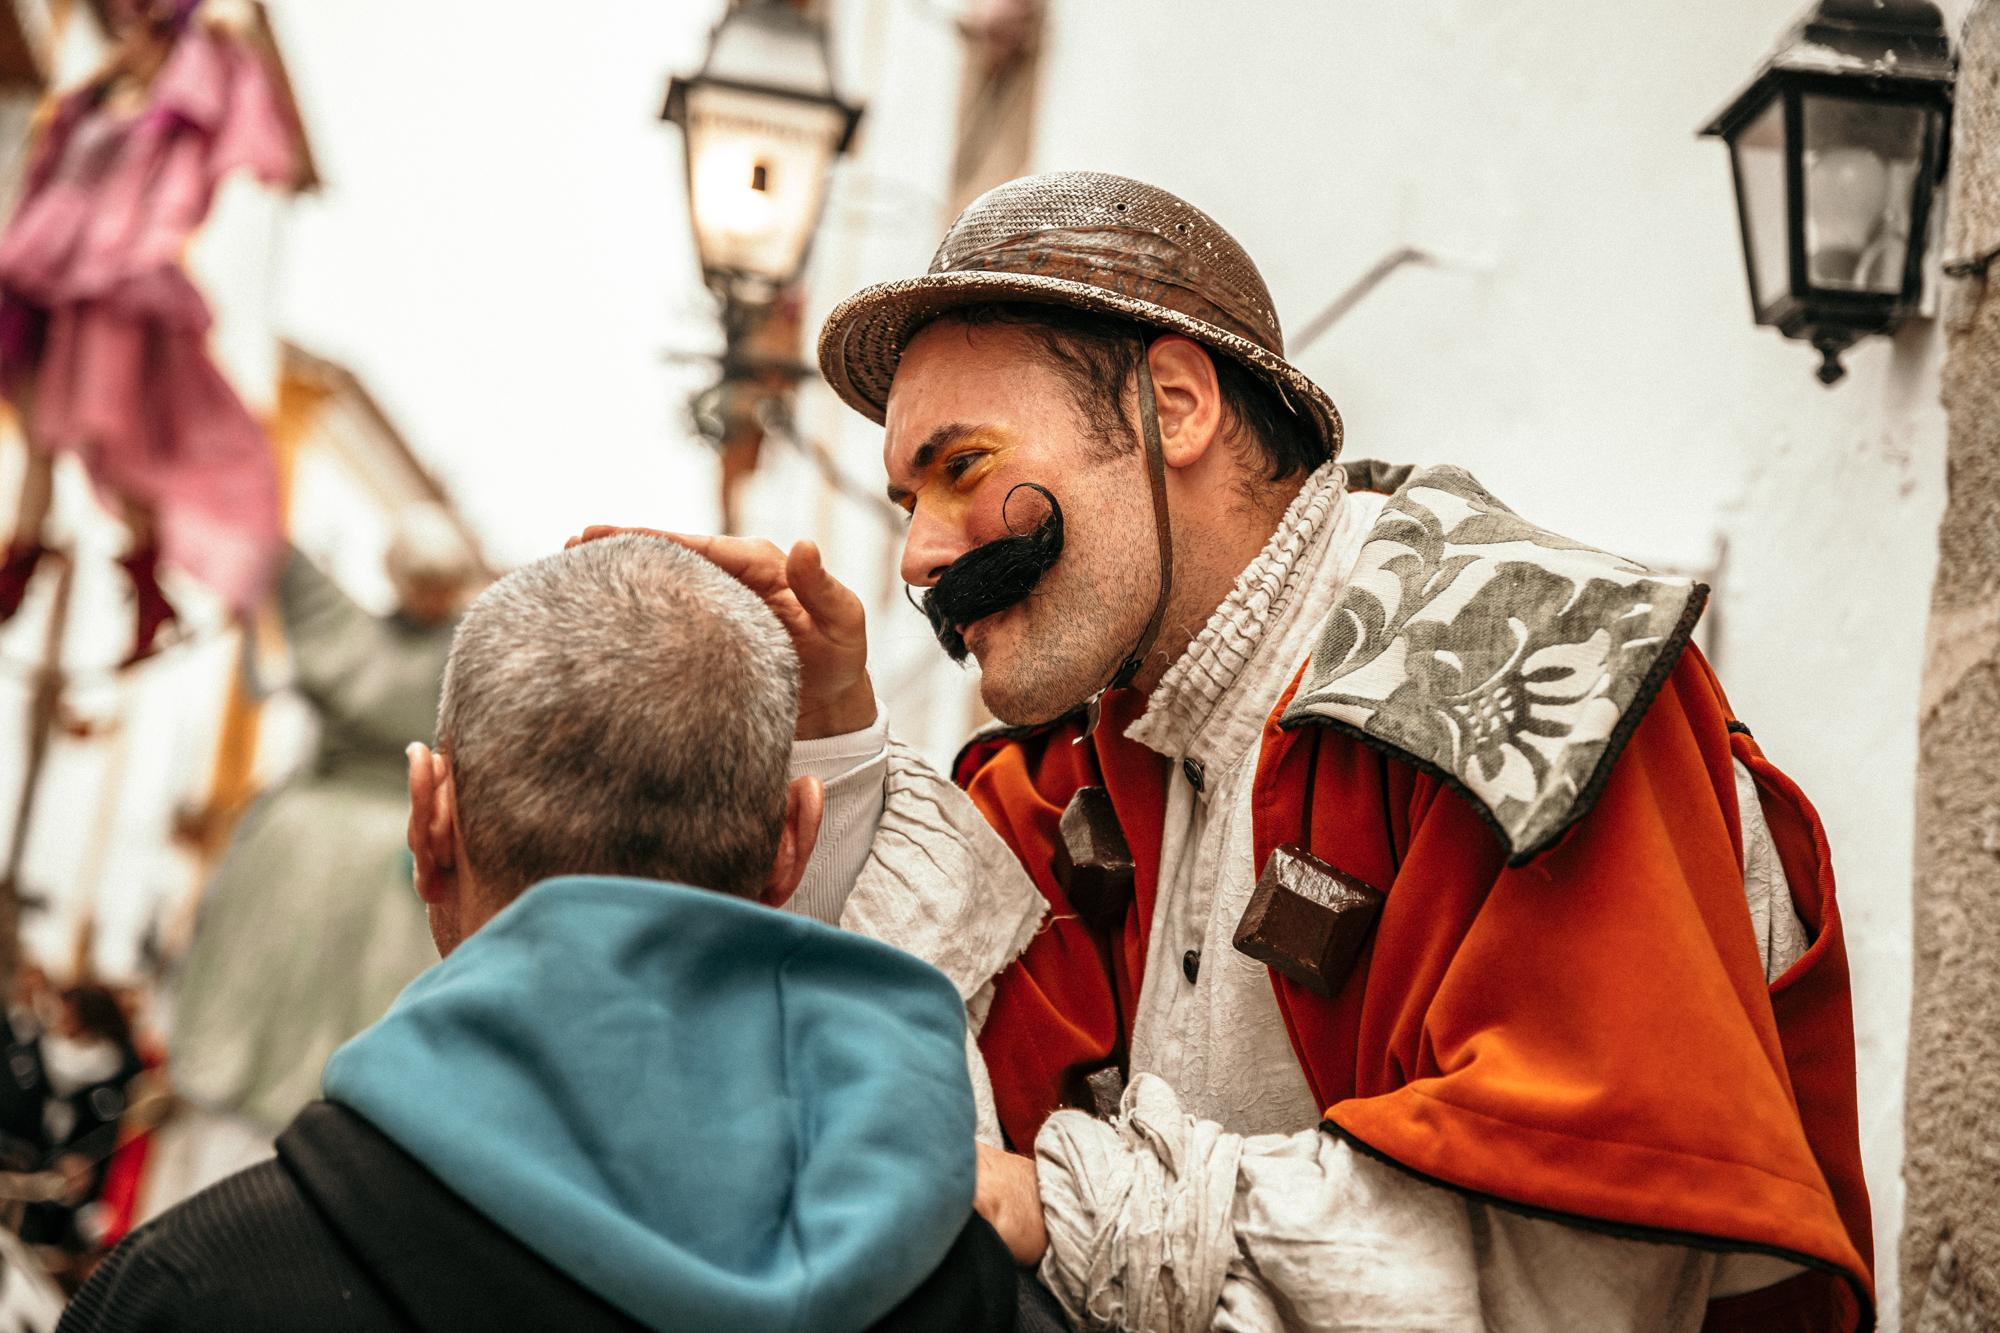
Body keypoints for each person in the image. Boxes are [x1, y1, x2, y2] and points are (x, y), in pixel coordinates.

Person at [631, 171, 1874, 1331]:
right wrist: (838, 732)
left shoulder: (1523, 669)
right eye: (911, 501)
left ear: (1174, 406)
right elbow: (902, 1102)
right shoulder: (1082, 762)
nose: (917, 554)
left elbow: (1577, 1253)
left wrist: (1069, 1206)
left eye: (965, 465)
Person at [59, 534, 1018, 1333]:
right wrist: (845, 737)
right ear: (792, 843)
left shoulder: (186, 1290)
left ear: (429, 824)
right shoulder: (960, 1286)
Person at [146, 507, 479, 1219]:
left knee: (335, 1023)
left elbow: (270, 543)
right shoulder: (452, 652)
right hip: (375, 854)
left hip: (336, 849)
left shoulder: (355, 633)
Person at [0, 0, 298, 664]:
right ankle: (20, 557)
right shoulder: (88, 102)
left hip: (110, 278)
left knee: (104, 435)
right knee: (39, 432)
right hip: (46, 270)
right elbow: (43, 177)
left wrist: (148, 245)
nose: (132, 32)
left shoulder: (178, 108)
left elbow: (184, 182)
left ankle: (145, 580)